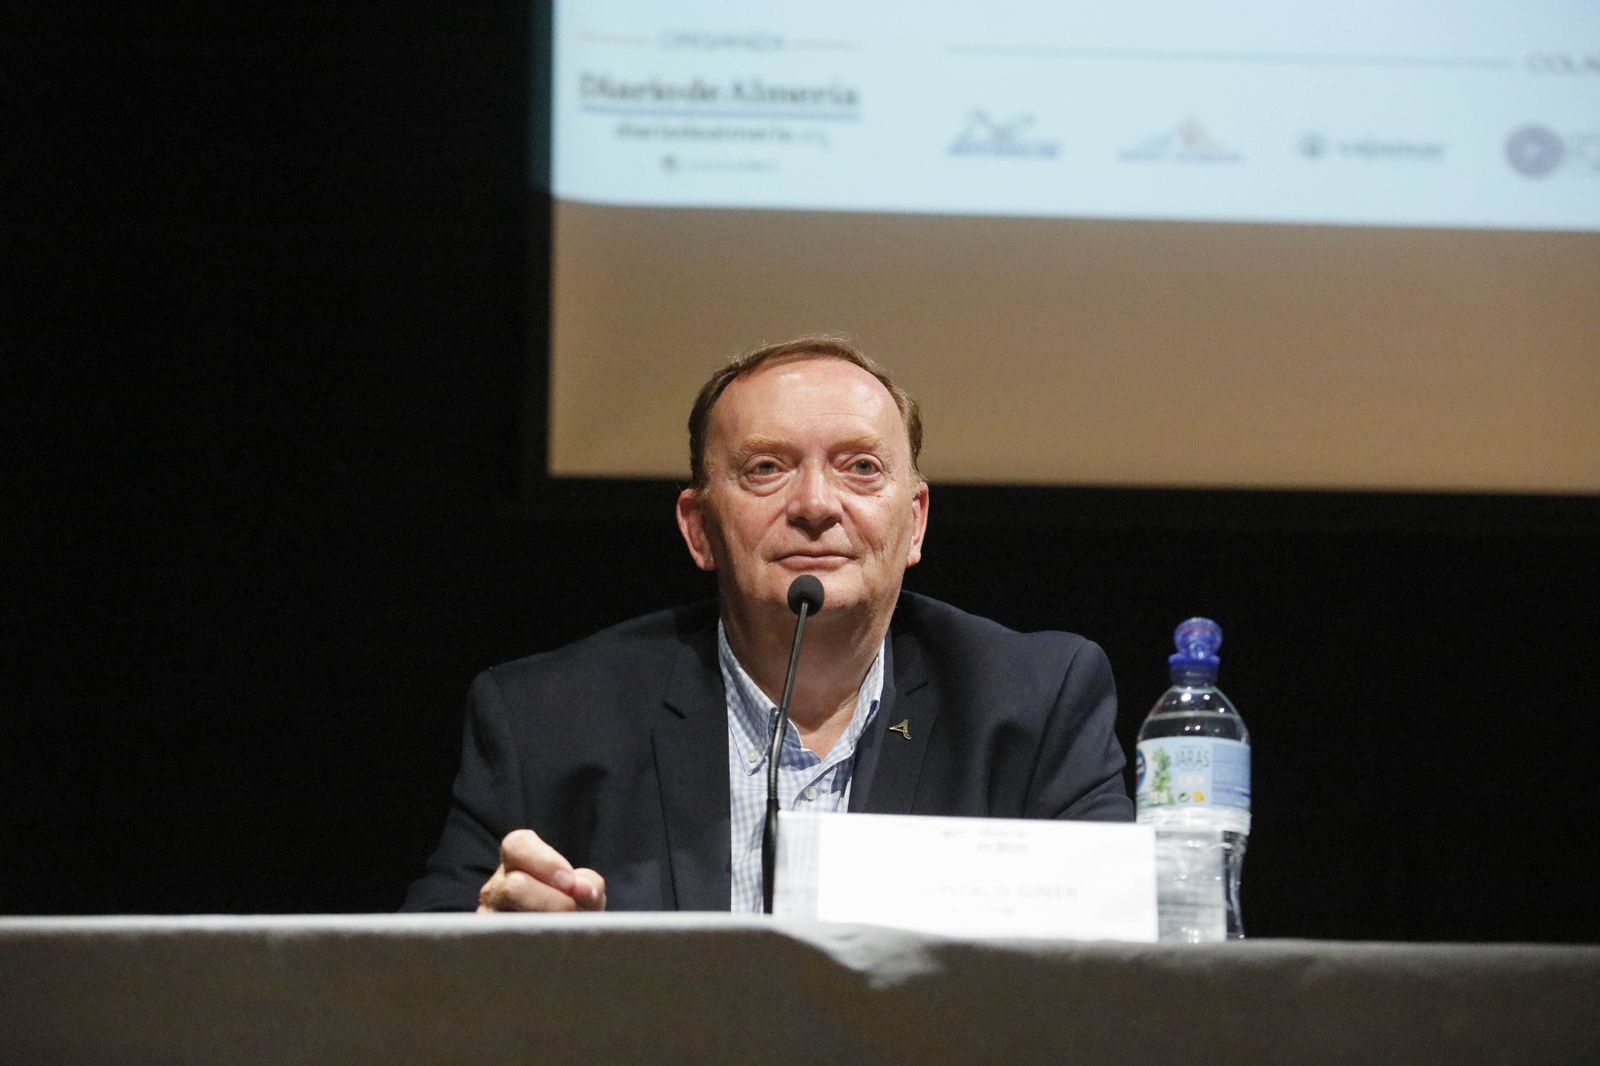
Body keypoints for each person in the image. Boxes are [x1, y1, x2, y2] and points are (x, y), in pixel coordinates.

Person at [402, 335, 1131, 913]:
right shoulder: (548, 721)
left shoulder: (1033, 706)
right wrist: (496, 949)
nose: (816, 503)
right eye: (766, 469)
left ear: (915, 524)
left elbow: (1130, 964)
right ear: (698, 529)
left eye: (861, 468)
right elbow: (411, 982)